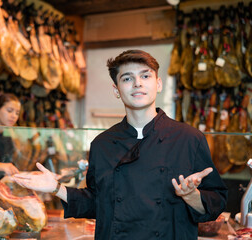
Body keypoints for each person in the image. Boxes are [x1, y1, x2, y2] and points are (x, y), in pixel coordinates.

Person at [14, 50, 228, 239]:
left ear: (158, 84)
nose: (138, 83)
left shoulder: (189, 139)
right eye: (127, 78)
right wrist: (56, 188)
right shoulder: (102, 144)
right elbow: (98, 203)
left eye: (145, 76)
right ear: (116, 90)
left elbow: (215, 204)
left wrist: (192, 196)